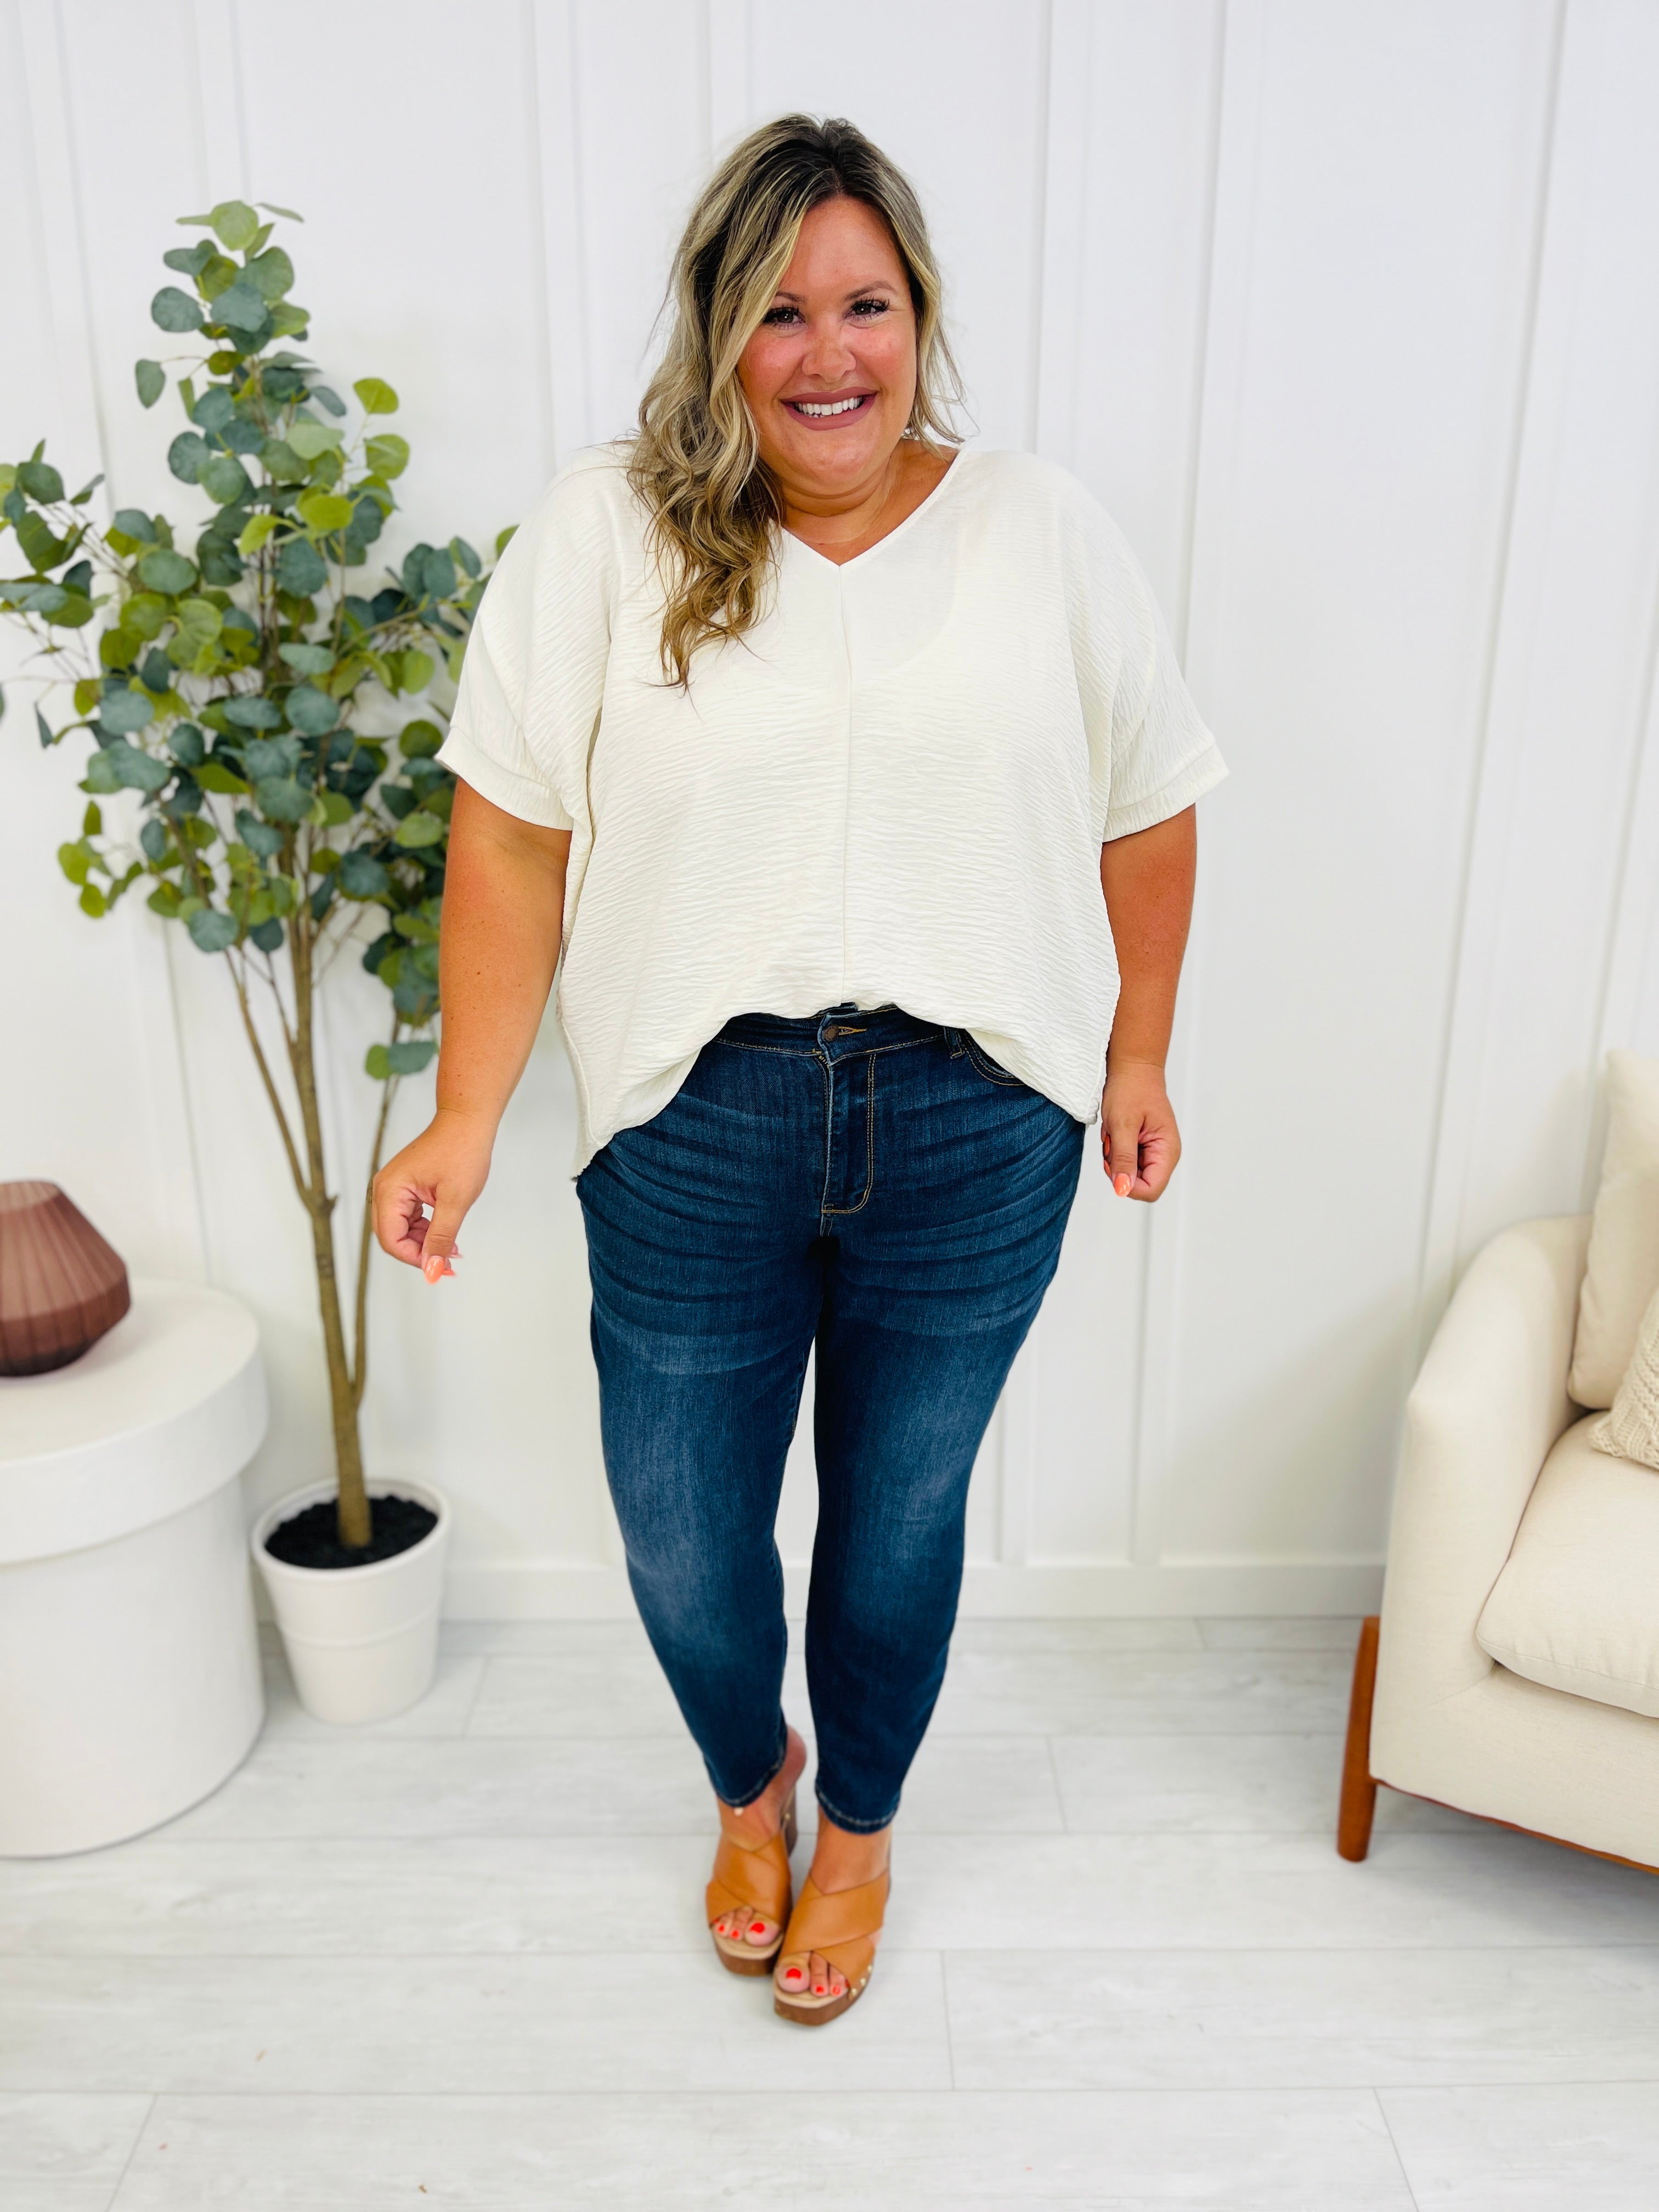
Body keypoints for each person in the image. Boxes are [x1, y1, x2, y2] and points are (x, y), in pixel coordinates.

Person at [373, 113, 1225, 2025]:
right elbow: (510, 834)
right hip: (694, 1121)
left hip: (978, 1116)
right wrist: (465, 1116)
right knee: (684, 1538)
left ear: (920, 314)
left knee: (899, 1528)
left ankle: (859, 1831)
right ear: (717, 330)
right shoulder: (606, 531)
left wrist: (1140, 1053)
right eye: (780, 311)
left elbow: (1151, 803)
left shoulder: (1040, 529)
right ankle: (748, 1784)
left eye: (866, 305)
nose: (829, 353)